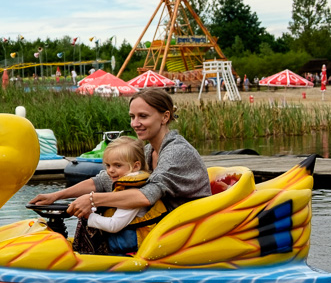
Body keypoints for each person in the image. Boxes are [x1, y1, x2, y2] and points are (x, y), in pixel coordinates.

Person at [32, 89, 210, 224]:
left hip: (190, 224)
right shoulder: (149, 151)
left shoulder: (176, 152)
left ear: (165, 117)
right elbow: (103, 181)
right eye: (132, 117)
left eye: (143, 116)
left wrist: (93, 199)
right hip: (167, 221)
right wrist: (55, 196)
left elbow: (146, 196)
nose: (135, 123)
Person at [73, 137, 167, 255]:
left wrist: (89, 217)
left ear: (136, 166)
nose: (110, 170)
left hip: (130, 251)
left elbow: (114, 225)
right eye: (108, 165)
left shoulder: (131, 191)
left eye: (117, 165)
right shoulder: (124, 185)